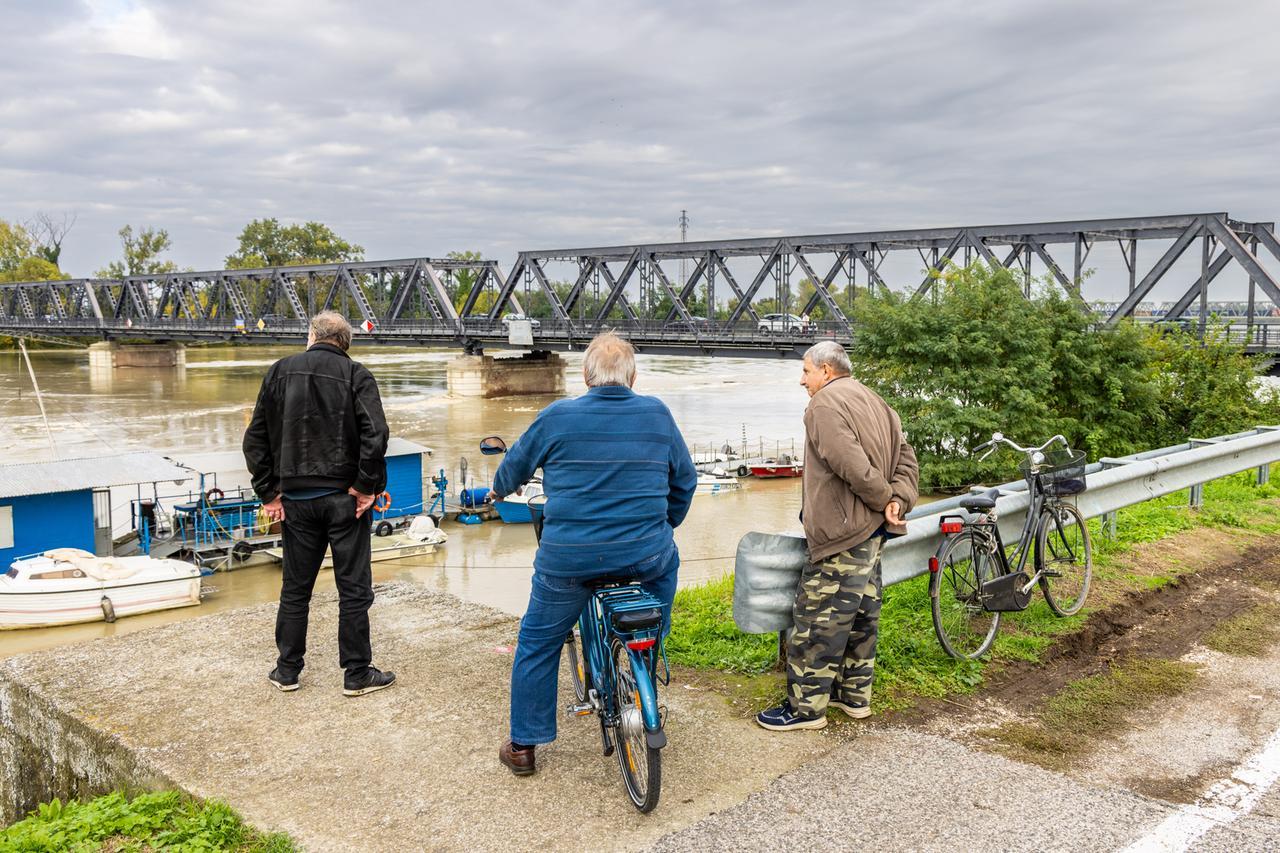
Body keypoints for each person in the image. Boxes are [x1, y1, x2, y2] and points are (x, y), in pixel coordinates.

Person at [490, 332, 698, 776]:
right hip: (646, 555)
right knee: (663, 576)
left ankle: (524, 745)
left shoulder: (557, 416)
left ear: (586, 376)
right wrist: (664, 526)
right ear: (633, 376)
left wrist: (496, 489)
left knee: (537, 642)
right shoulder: (657, 414)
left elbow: (512, 470)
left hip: (570, 559)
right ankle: (647, 650)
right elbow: (685, 481)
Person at [757, 340, 918, 731]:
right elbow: (907, 459)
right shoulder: (877, 401)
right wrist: (900, 498)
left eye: (806, 371)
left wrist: (883, 498)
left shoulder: (824, 404)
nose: (802, 380)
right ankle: (854, 698)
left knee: (818, 621)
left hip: (843, 532)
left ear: (827, 371)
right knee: (862, 617)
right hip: (874, 532)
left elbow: (849, 463)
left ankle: (805, 710)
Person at [242, 311, 396, 697]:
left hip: (296, 502)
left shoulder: (279, 372)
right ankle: (356, 674)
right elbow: (375, 435)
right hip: (345, 501)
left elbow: (255, 440)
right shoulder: (357, 375)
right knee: (353, 589)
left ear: (311, 336)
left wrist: (269, 493)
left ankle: (287, 670)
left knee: (296, 589)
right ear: (345, 342)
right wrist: (367, 486)